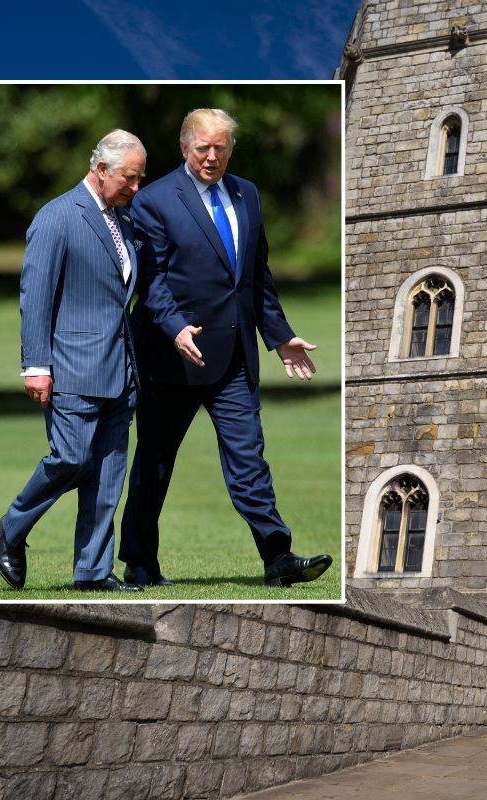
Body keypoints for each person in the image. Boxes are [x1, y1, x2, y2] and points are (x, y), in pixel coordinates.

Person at [118, 108, 332, 589]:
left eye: (220, 147)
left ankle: (277, 556)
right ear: (184, 148)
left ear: (231, 149)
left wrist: (280, 336)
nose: (211, 157)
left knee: (249, 459)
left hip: (233, 357)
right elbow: (151, 282)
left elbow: (255, 277)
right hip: (171, 357)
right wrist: (175, 328)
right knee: (154, 464)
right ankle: (139, 563)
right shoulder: (153, 200)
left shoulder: (246, 194)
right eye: (202, 148)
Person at [0, 130, 147, 593]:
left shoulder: (125, 220)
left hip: (121, 371)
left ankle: (93, 572)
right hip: (72, 368)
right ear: (100, 170)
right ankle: (12, 527)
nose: (135, 187)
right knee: (71, 459)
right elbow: (35, 295)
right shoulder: (57, 216)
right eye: (129, 178)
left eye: (140, 178)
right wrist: (36, 365)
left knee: (107, 477)